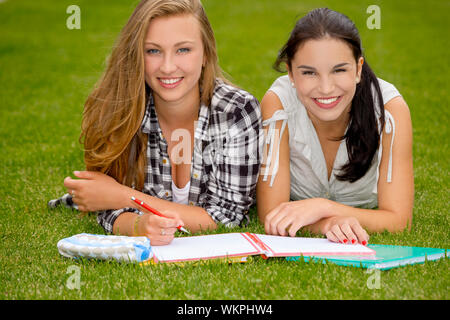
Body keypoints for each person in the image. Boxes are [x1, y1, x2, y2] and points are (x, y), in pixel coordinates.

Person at [49, 0, 263, 245]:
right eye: (153, 51)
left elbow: (226, 217)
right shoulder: (121, 111)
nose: (168, 66)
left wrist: (124, 196)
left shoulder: (236, 111)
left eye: (183, 50)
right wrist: (138, 225)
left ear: (206, 54)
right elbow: (107, 207)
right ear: (136, 55)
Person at [256, 8, 413, 245]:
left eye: (339, 70)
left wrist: (323, 207)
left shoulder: (390, 110)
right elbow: (272, 214)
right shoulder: (278, 104)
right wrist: (328, 224)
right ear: (290, 72)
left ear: (359, 68)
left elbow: (399, 221)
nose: (326, 88)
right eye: (309, 73)